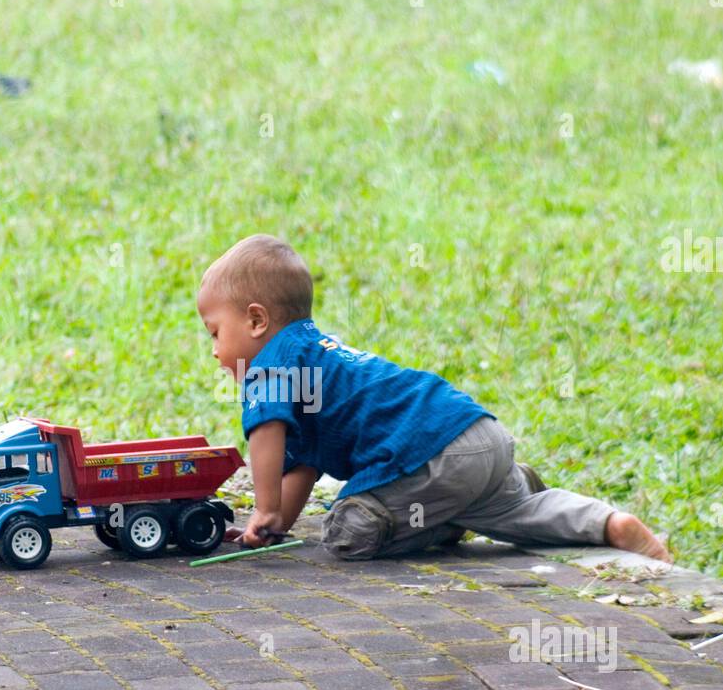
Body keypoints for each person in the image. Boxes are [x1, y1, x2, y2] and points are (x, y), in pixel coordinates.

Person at [196, 234, 672, 563]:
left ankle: (440, 516)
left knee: (348, 533)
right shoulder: (317, 351)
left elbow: (265, 436)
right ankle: (610, 523)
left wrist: (264, 510)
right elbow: (301, 464)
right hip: (475, 433)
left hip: (433, 458)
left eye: (216, 333)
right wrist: (277, 524)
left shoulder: (270, 365)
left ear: (257, 321)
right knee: (516, 514)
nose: (216, 351)